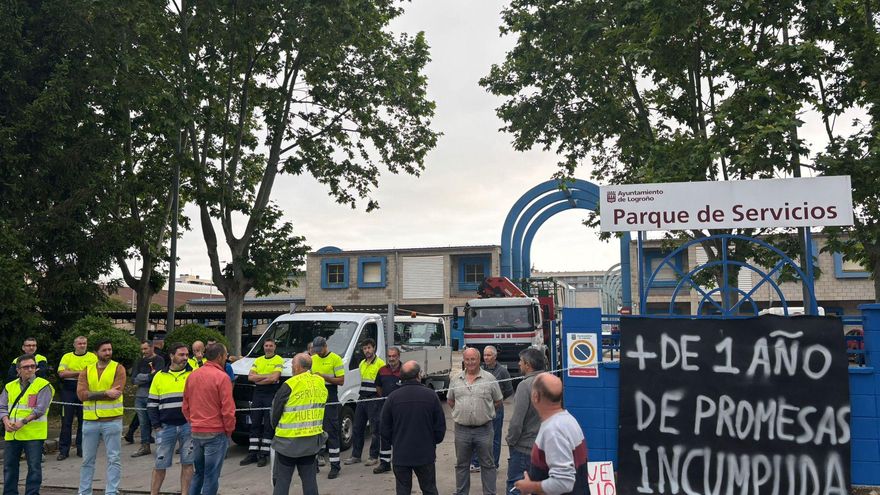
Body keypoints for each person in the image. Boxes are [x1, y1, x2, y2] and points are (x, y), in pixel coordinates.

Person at [514, 373, 588, 495]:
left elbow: (564, 482)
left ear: (535, 396)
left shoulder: (553, 431)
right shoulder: (569, 420)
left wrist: (530, 486)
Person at [380, 360, 445, 495]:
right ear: (418, 375)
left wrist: (396, 442)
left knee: (403, 490)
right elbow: (440, 427)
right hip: (425, 455)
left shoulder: (392, 398)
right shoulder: (431, 395)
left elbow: (384, 428)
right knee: (429, 489)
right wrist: (431, 441)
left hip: (401, 455)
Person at [270, 352, 327, 495]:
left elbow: (275, 413)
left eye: (292, 364)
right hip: (311, 440)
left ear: (297, 366)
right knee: (309, 480)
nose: (291, 367)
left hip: (287, 443)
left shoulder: (289, 384)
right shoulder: (320, 382)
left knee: (282, 480)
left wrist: (275, 428)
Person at [447, 347, 502, 495]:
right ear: (463, 361)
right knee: (461, 465)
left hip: (484, 429)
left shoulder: (490, 379)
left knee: (488, 464)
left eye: (473, 359)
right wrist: (463, 413)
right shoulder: (455, 379)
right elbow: (451, 400)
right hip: (462, 430)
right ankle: (461, 492)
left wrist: (483, 413)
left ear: (479, 360)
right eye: (467, 359)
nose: (470, 362)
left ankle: (490, 493)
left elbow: (498, 401)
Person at [182, 342, 235, 495]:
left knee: (199, 473)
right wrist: (229, 430)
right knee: (211, 476)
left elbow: (185, 405)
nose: (226, 359)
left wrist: (193, 423)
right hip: (216, 432)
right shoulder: (222, 377)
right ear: (219, 357)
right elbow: (228, 409)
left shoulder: (193, 375)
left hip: (197, 431)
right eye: (225, 356)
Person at [78, 340, 126, 495]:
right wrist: (105, 393)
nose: (108, 352)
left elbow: (116, 394)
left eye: (109, 349)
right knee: (87, 460)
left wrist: (92, 395)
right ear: (96, 352)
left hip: (112, 420)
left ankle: (111, 491)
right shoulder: (87, 370)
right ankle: (84, 491)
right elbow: (81, 395)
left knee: (114, 459)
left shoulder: (118, 368)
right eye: (104, 350)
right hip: (90, 421)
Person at [1, 354, 54, 495]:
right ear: (18, 370)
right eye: (26, 367)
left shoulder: (43, 385)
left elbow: (40, 409)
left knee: (34, 468)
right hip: (12, 433)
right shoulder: (9, 386)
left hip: (33, 434)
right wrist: (6, 421)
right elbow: (2, 407)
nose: (30, 369)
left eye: (33, 366)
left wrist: (22, 422)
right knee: (9, 467)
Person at [148, 342, 195, 495]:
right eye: (181, 355)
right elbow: (152, 404)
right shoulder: (159, 376)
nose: (185, 358)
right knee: (160, 464)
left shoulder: (193, 374)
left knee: (188, 463)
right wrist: (156, 426)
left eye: (187, 355)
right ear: (171, 356)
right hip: (165, 427)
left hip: (188, 426)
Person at [505, 348, 545, 495]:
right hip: (546, 448)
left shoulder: (525, 385)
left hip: (525, 448)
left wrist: (511, 440)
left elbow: (517, 421)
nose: (519, 364)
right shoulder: (552, 382)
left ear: (528, 365)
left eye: (520, 362)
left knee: (516, 486)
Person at [241, 338, 283, 467]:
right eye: (266, 345)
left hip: (270, 394)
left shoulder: (278, 360)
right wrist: (267, 377)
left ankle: (263, 455)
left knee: (268, 425)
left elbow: (275, 378)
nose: (268, 348)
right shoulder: (258, 360)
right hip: (258, 394)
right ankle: (252, 453)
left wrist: (258, 378)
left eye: (271, 346)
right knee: (255, 423)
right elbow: (250, 377)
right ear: (263, 347)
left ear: (274, 347)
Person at [471, 345, 513, 472]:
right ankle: (476, 463)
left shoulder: (502, 371)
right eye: (484, 355)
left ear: (495, 356)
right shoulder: (480, 370)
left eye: (489, 355)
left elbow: (509, 390)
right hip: (480, 408)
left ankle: (493, 464)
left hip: (496, 409)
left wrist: (498, 401)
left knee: (494, 438)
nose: (486, 358)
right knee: (478, 436)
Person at [345, 338, 385, 467]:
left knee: (375, 430)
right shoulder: (362, 363)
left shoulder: (380, 364)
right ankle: (356, 455)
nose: (367, 350)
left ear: (373, 348)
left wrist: (378, 398)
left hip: (373, 399)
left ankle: (373, 456)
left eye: (369, 348)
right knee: (357, 428)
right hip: (362, 399)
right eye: (364, 348)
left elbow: (381, 384)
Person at [56, 335, 97, 460]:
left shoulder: (92, 357)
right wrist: (81, 372)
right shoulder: (67, 356)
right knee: (66, 421)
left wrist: (72, 372)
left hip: (84, 390)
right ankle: (63, 451)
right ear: (74, 345)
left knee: (83, 421)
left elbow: (94, 373)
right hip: (68, 390)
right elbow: (61, 373)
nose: (82, 345)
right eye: (79, 343)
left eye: (84, 343)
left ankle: (81, 449)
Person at [310, 336, 344, 479]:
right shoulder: (314, 358)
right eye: (315, 350)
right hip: (315, 396)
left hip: (330, 395)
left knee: (332, 430)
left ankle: (335, 465)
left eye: (320, 350)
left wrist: (323, 377)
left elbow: (341, 380)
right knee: (315, 429)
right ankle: (315, 463)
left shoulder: (336, 359)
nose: (318, 353)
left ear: (325, 346)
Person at [130, 340, 165, 457]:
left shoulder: (159, 360)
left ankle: (162, 446)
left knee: (157, 422)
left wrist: (142, 376)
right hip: (140, 396)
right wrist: (149, 376)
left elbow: (158, 376)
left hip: (154, 395)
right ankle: (145, 446)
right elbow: (133, 379)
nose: (143, 352)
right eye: (142, 349)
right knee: (143, 422)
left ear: (152, 348)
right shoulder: (139, 361)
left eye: (145, 349)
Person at [373, 346, 402, 474]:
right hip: (385, 408)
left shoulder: (405, 371)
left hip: (401, 410)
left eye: (394, 356)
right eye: (389, 356)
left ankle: (400, 461)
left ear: (398, 356)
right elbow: (378, 387)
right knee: (384, 434)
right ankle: (384, 463)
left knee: (400, 435)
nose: (391, 359)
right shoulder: (382, 370)